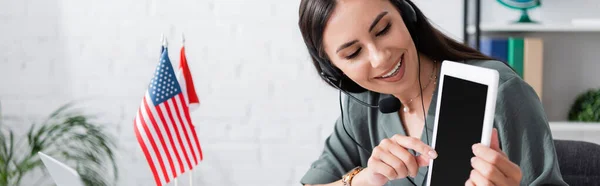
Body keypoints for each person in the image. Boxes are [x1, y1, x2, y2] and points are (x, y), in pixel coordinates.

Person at [297, 0, 569, 185]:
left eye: (383, 29)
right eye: (354, 53)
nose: (380, 58)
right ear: (335, 71)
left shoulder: (500, 92)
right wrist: (363, 179)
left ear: (406, 15)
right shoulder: (364, 105)